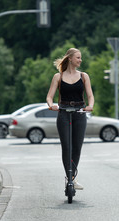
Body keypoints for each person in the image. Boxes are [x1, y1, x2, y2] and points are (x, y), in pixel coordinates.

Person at [46, 48, 94, 190]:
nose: (80, 60)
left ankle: (71, 179)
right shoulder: (58, 77)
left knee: (77, 147)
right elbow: (49, 96)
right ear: (70, 59)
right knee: (66, 147)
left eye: (80, 58)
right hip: (63, 112)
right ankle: (69, 179)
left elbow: (90, 95)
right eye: (78, 57)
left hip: (80, 112)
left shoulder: (84, 76)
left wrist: (90, 105)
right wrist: (51, 105)